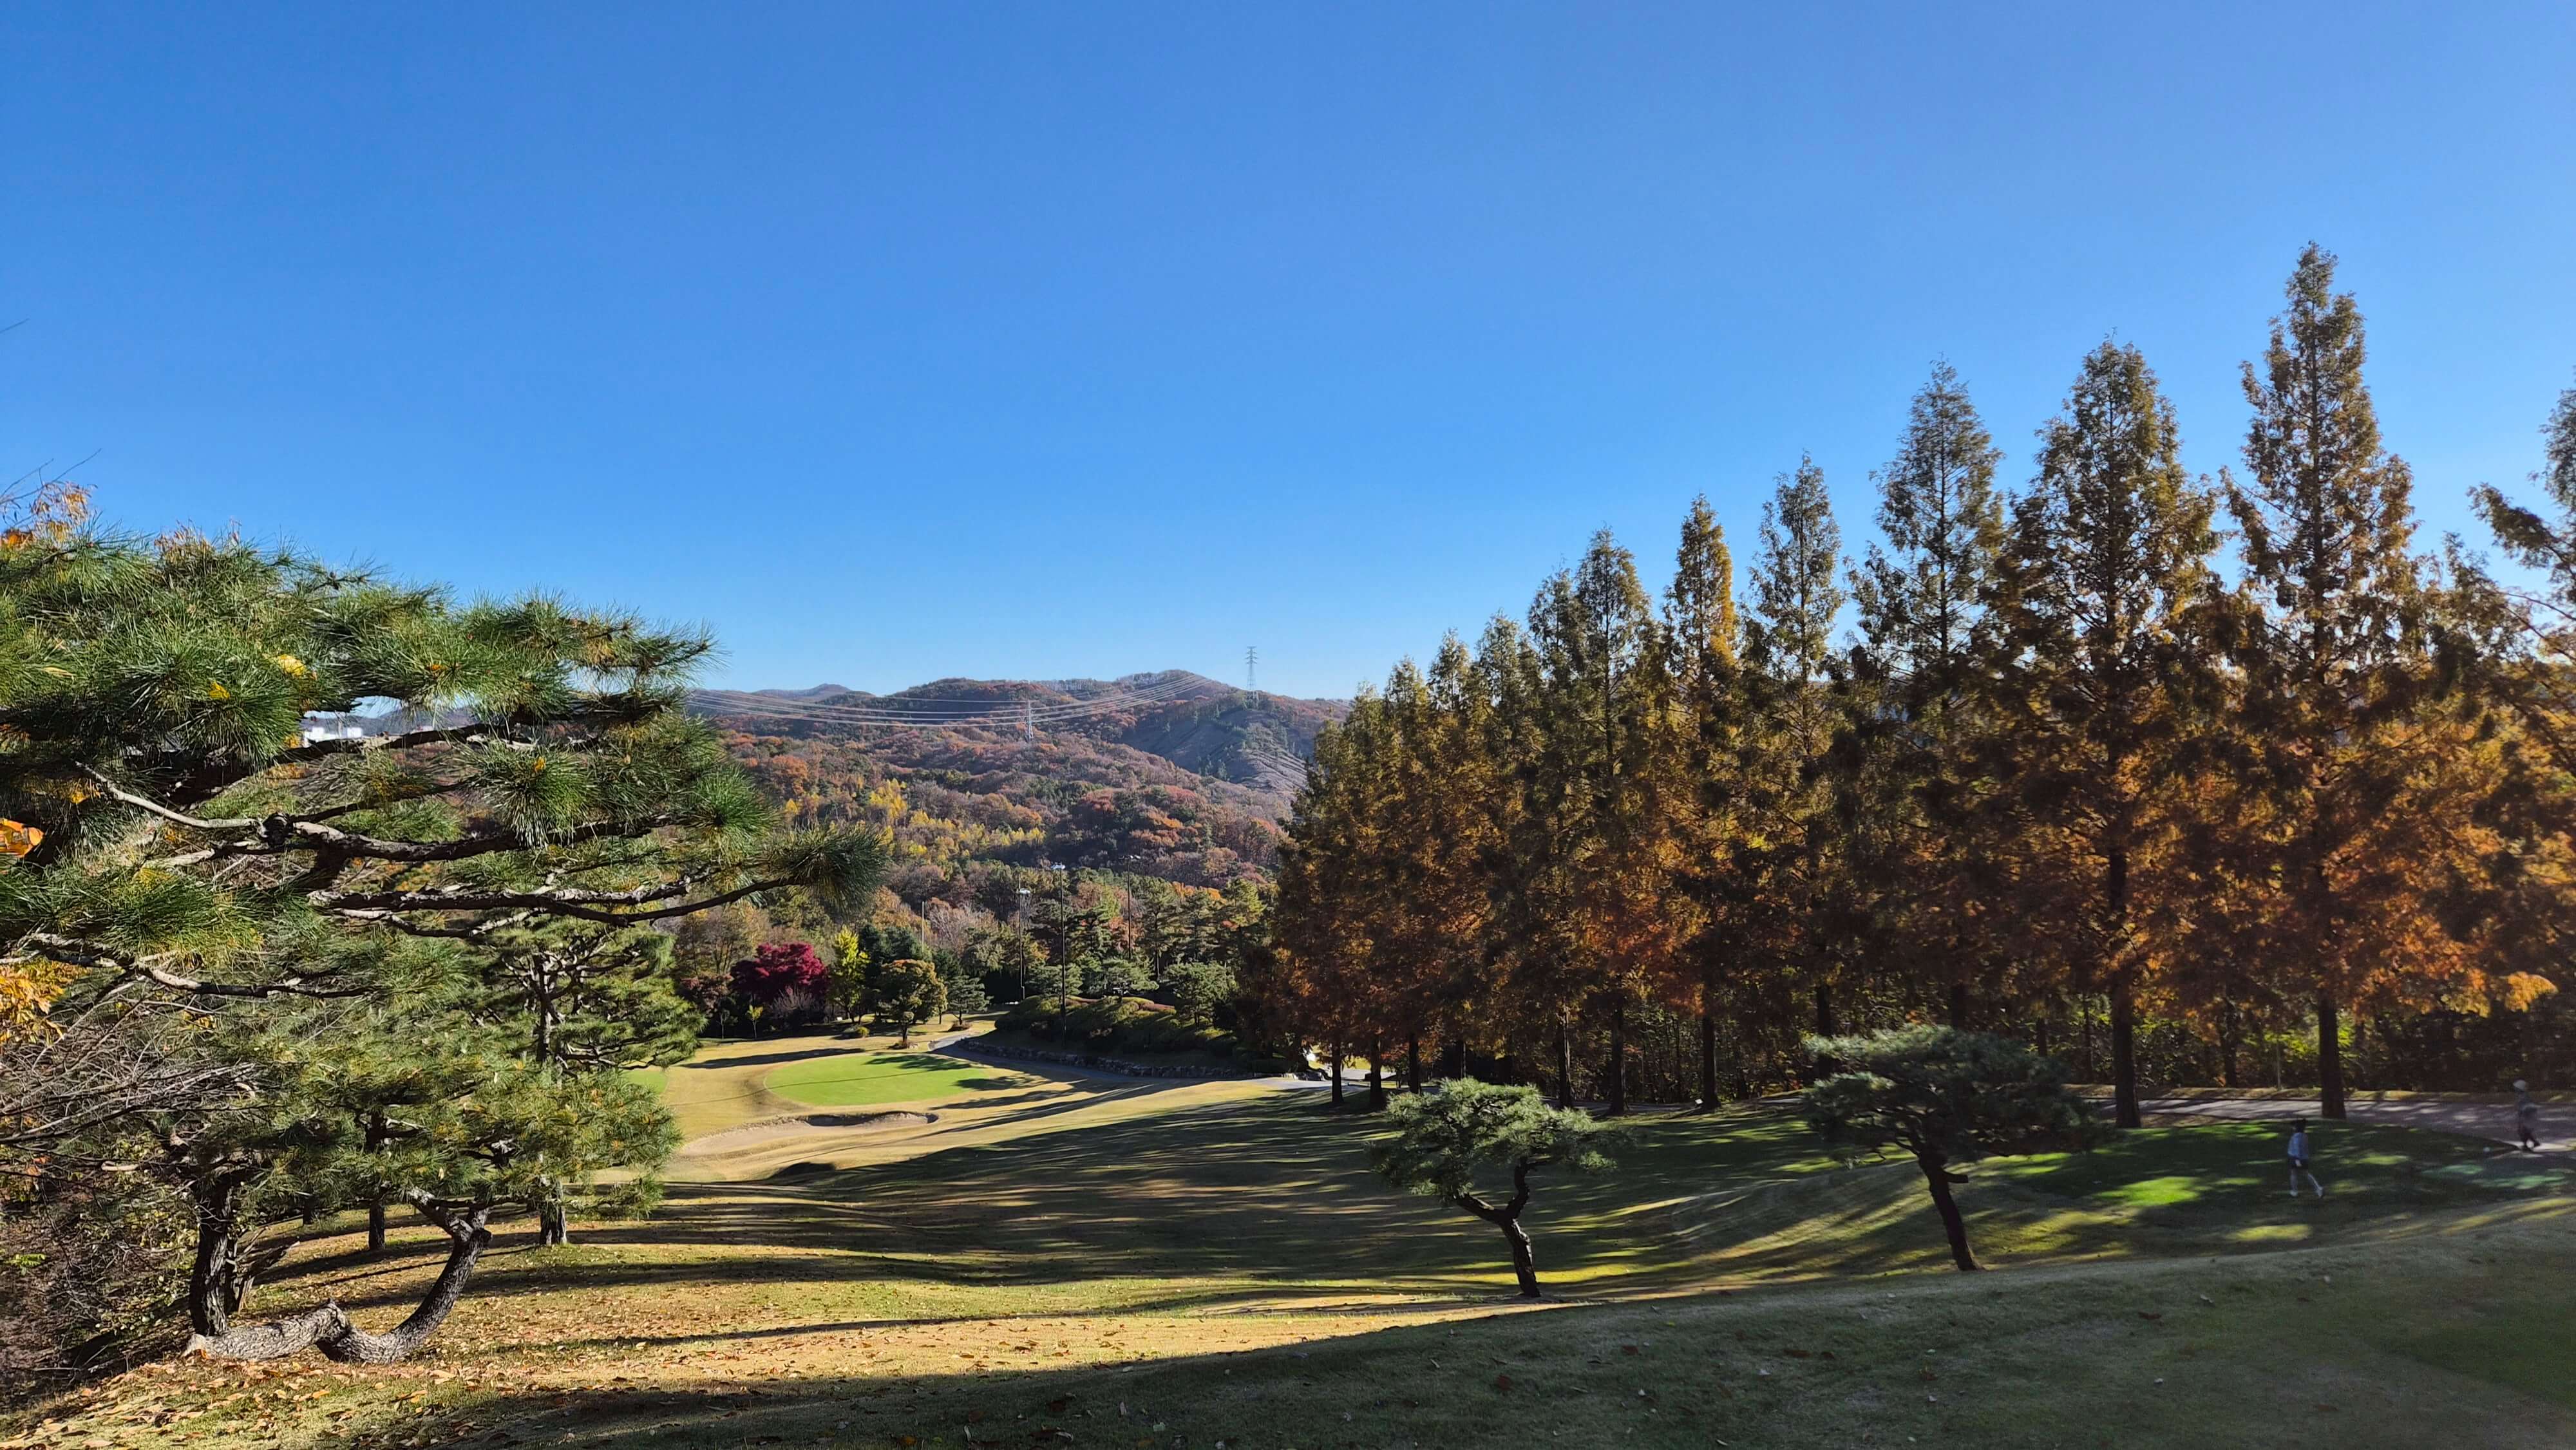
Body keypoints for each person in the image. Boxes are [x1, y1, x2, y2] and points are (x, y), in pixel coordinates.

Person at [2286, 1119, 2324, 1198]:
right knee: (2306, 1173)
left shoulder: (2296, 1137)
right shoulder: (2305, 1136)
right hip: (2304, 1158)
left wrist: (2297, 1159)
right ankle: (2318, 1188)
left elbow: (2297, 1148)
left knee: (2293, 1173)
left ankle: (2294, 1191)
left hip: (2296, 1158)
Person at [2515, 1080, 2543, 1153]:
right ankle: (2534, 1143)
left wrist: (2522, 1115)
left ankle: (2526, 1145)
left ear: (2520, 1088)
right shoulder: (2523, 1096)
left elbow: (2526, 1107)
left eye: (2516, 1088)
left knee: (2522, 1130)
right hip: (2527, 1115)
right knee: (2524, 1130)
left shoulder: (2524, 1097)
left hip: (2527, 1115)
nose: (2515, 1089)